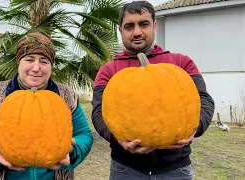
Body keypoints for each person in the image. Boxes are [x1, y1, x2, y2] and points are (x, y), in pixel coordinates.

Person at [91, 1, 215, 179]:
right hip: (126, 168)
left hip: (175, 168)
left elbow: (204, 100)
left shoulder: (181, 63)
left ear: (154, 26)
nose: (137, 32)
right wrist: (118, 138)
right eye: (129, 26)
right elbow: (98, 113)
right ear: (120, 31)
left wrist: (195, 128)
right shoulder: (109, 71)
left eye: (144, 24)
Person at [0, 32, 94, 180]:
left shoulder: (67, 96)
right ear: (19, 62)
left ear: (51, 66)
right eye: (29, 59)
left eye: (44, 61)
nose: (36, 68)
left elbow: (84, 135)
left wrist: (70, 149)